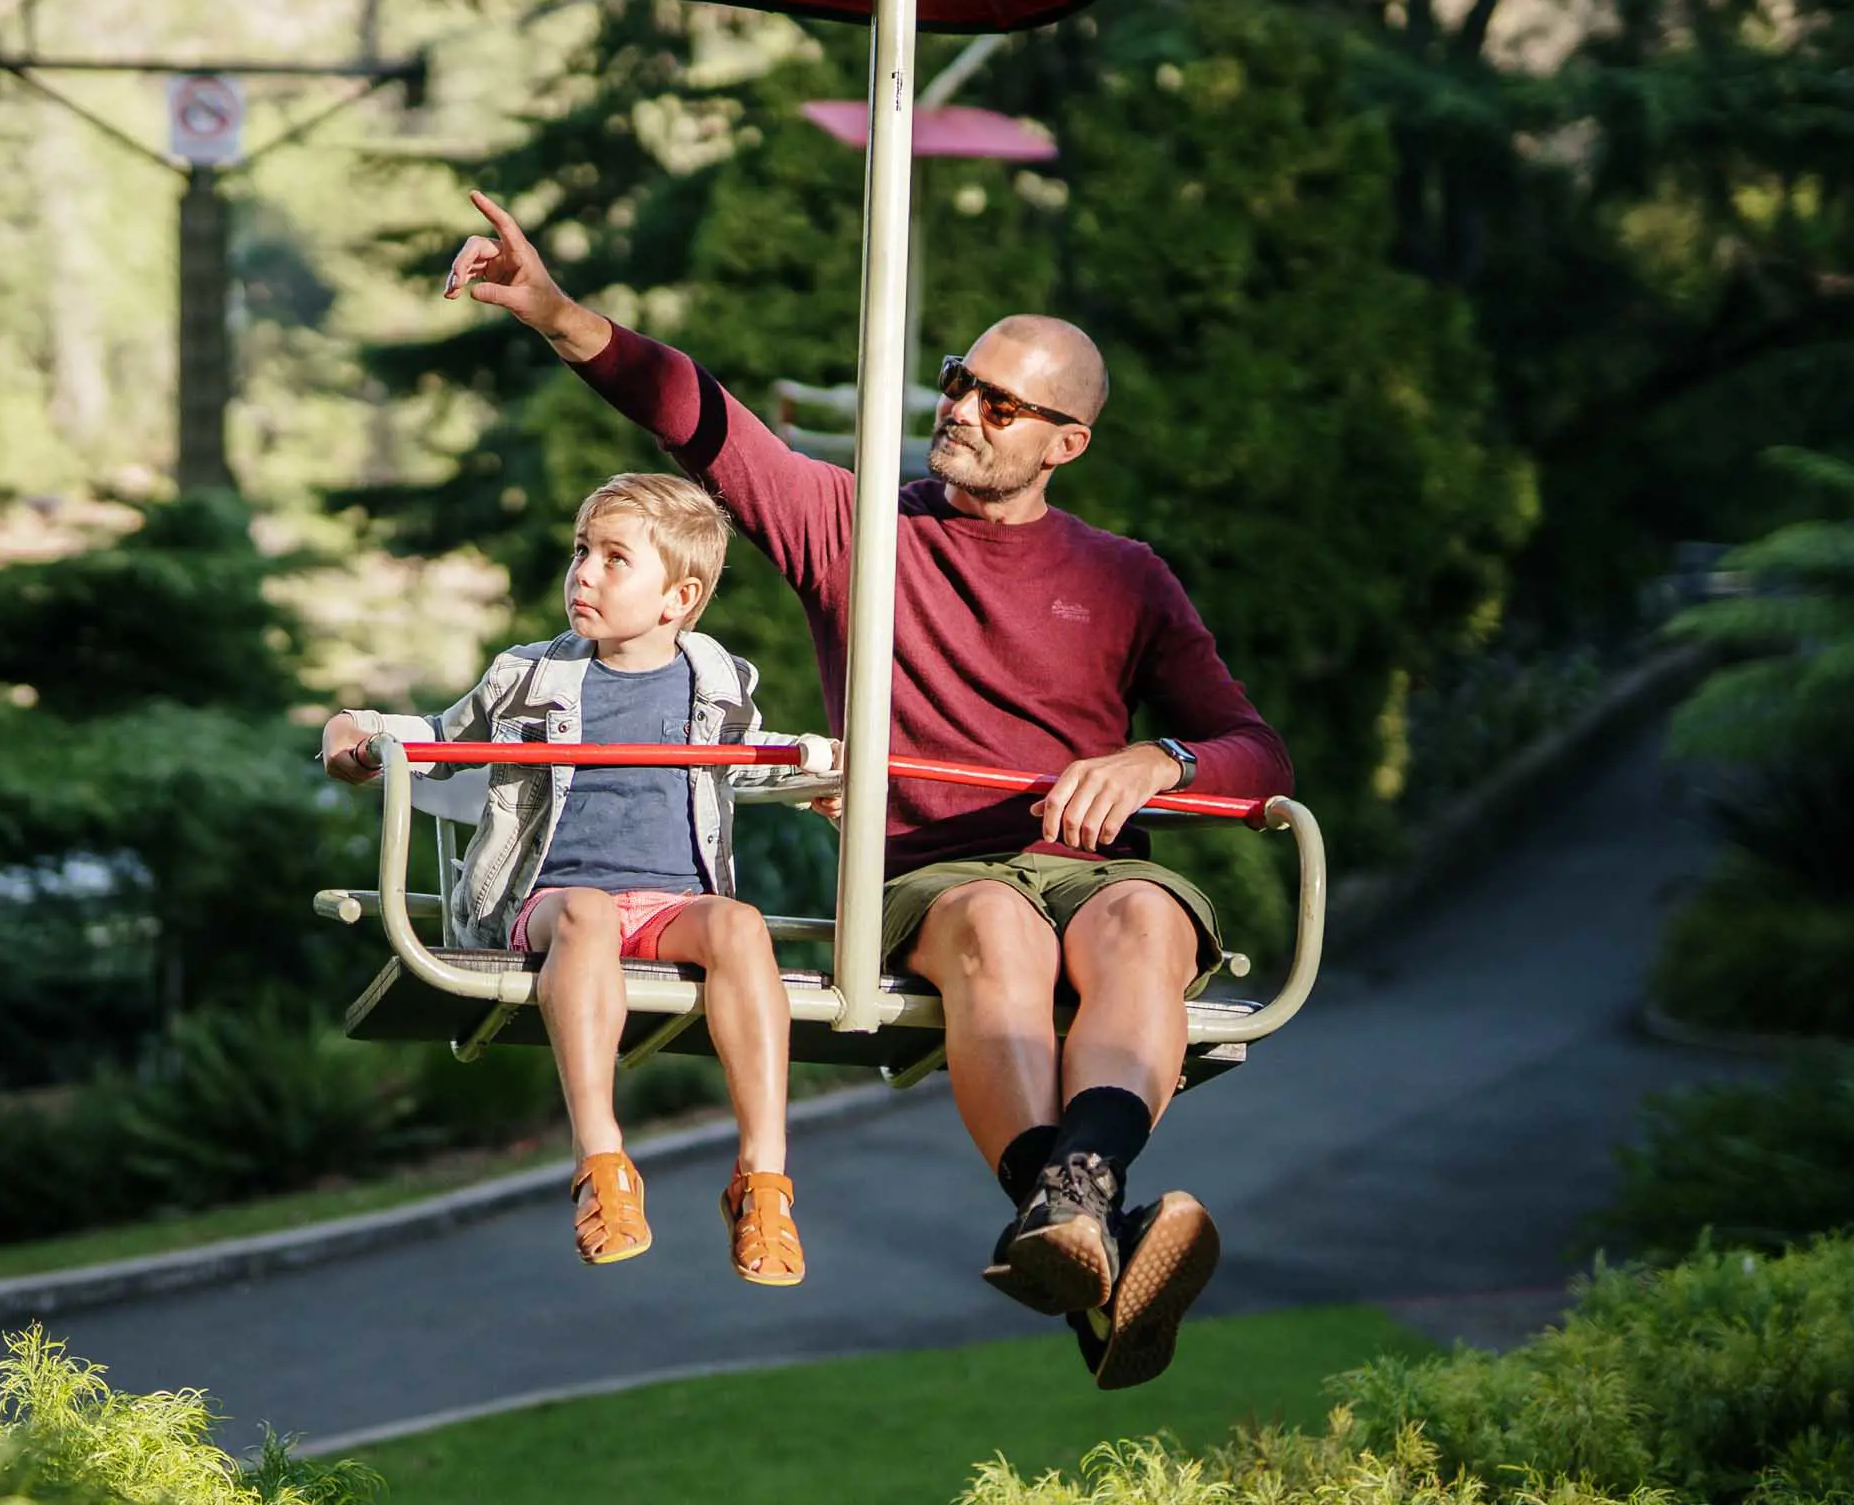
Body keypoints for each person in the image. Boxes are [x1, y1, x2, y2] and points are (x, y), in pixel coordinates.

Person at [436, 192, 1292, 1390]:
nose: (962, 409)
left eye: (1002, 403)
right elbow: (701, 419)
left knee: (1148, 917)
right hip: (940, 871)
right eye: (958, 378)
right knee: (998, 933)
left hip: (1093, 863)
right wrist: (555, 312)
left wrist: (1164, 762)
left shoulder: (1123, 578)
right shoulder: (855, 529)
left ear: (1064, 441)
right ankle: (1092, 1212)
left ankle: (1075, 1211)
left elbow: (1252, 748)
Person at [321, 472, 837, 1285]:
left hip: (671, 904)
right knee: (591, 913)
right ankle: (601, 1160)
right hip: (548, 904)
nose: (584, 574)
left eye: (614, 559)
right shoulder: (529, 677)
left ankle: (763, 1183)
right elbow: (434, 736)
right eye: (581, 552)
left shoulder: (717, 680)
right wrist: (354, 732)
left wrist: (818, 785)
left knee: (738, 924)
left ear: (678, 597)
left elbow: (745, 764)